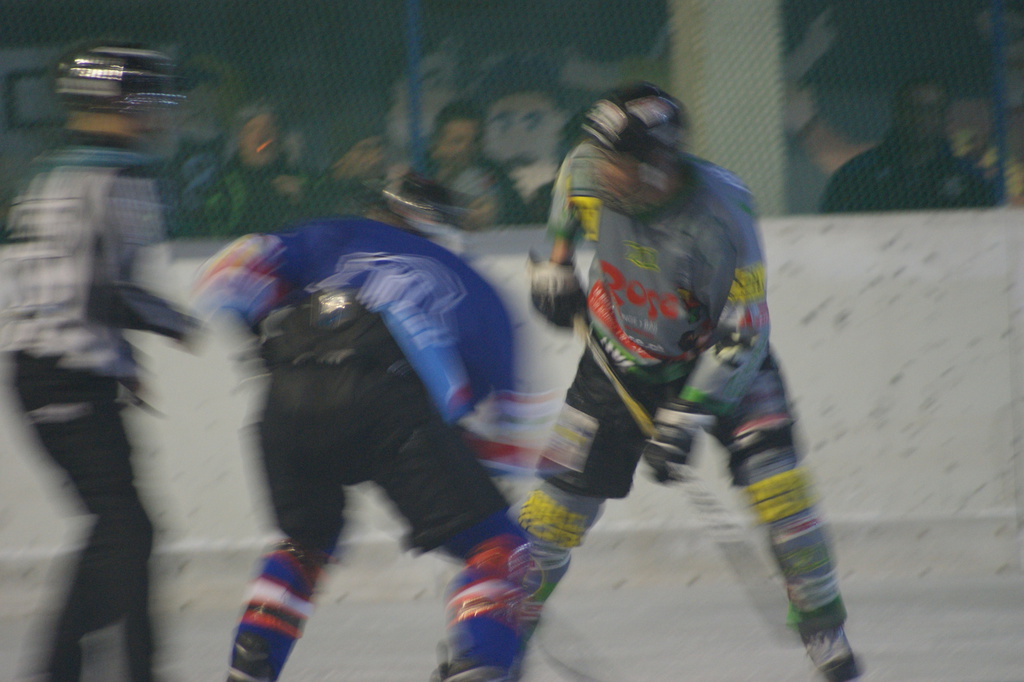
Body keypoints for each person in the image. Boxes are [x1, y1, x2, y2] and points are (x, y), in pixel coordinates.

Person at [522, 82, 862, 681]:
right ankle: (494, 641)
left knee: (782, 494)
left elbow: (744, 330)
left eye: (616, 160)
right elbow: (568, 193)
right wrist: (555, 268)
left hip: (722, 365)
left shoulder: (721, 213)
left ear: (659, 163)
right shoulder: (587, 169)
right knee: (552, 515)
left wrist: (686, 417)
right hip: (616, 359)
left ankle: (822, 627)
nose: (598, 169)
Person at [191, 173, 539, 682]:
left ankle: (253, 660)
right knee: (499, 546)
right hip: (388, 404)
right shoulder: (474, 284)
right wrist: (470, 470)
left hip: (285, 400)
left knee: (304, 544)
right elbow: (502, 435)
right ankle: (480, 660)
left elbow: (223, 277)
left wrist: (266, 349)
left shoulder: (332, 234)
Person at [0, 42, 198, 681]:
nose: (157, 113)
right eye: (147, 98)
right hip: (65, 373)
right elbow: (105, 291)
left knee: (122, 527)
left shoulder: (53, 172)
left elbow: (64, 280)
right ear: (119, 102)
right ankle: (96, 668)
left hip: (51, 369)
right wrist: (180, 323)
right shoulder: (118, 176)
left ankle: (82, 667)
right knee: (123, 528)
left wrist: (123, 360)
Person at [819, 77, 998, 213]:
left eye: (932, 110)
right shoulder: (856, 176)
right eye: (912, 108)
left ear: (944, 116)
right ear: (897, 112)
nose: (921, 118)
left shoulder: (970, 179)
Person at [199, 102, 311, 237]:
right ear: (240, 141)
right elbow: (213, 235)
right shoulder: (221, 186)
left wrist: (301, 198)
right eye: (252, 129)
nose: (262, 135)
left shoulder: (301, 178)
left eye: (271, 128)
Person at [425, 99, 529, 230]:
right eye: (457, 141)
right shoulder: (419, 174)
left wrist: (498, 212)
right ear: (437, 146)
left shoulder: (496, 175)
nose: (466, 148)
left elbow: (522, 218)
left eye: (474, 141)